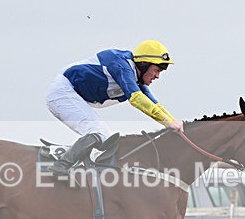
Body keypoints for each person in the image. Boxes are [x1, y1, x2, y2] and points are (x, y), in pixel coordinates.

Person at [46, 39, 184, 176]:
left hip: (74, 94)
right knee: (98, 132)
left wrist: (173, 122)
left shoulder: (135, 77)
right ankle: (60, 167)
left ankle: (77, 165)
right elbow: (136, 99)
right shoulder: (121, 65)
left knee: (107, 138)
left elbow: (154, 104)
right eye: (157, 70)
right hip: (63, 92)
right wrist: (167, 122)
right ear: (143, 64)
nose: (157, 76)